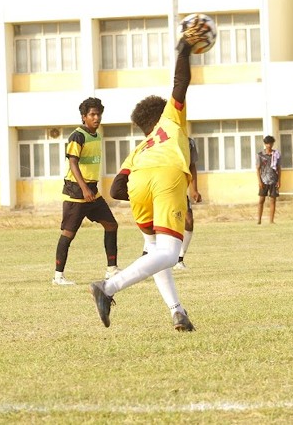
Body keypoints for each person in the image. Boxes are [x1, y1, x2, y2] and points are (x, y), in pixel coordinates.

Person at [89, 25, 210, 332]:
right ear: (161, 114)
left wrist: (147, 196)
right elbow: (180, 83)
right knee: (170, 253)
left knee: (156, 250)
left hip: (139, 182)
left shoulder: (140, 147)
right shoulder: (170, 119)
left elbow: (117, 188)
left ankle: (177, 311)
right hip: (166, 176)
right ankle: (109, 288)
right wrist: (184, 49)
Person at [52, 97, 119, 286]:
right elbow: (72, 162)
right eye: (92, 114)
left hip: (92, 192)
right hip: (76, 192)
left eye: (98, 114)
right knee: (68, 234)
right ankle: (58, 277)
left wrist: (90, 189)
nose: (96, 118)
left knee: (111, 225)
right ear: (84, 117)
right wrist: (83, 189)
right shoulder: (77, 136)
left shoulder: (97, 135)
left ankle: (112, 270)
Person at [174, 137, 202, 270]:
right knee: (159, 223)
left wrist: (194, 189)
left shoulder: (189, 142)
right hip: (162, 189)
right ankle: (147, 255)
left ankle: (179, 260)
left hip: (180, 189)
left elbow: (192, 166)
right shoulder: (163, 137)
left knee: (189, 221)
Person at [256, 135, 281, 225]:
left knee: (272, 200)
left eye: (270, 143)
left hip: (273, 180)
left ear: (273, 144)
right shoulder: (260, 155)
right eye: (267, 143)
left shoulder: (276, 154)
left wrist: (279, 180)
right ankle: (259, 220)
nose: (269, 145)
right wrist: (259, 181)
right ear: (265, 144)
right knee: (261, 200)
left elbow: (278, 168)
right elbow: (258, 169)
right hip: (263, 180)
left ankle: (271, 220)